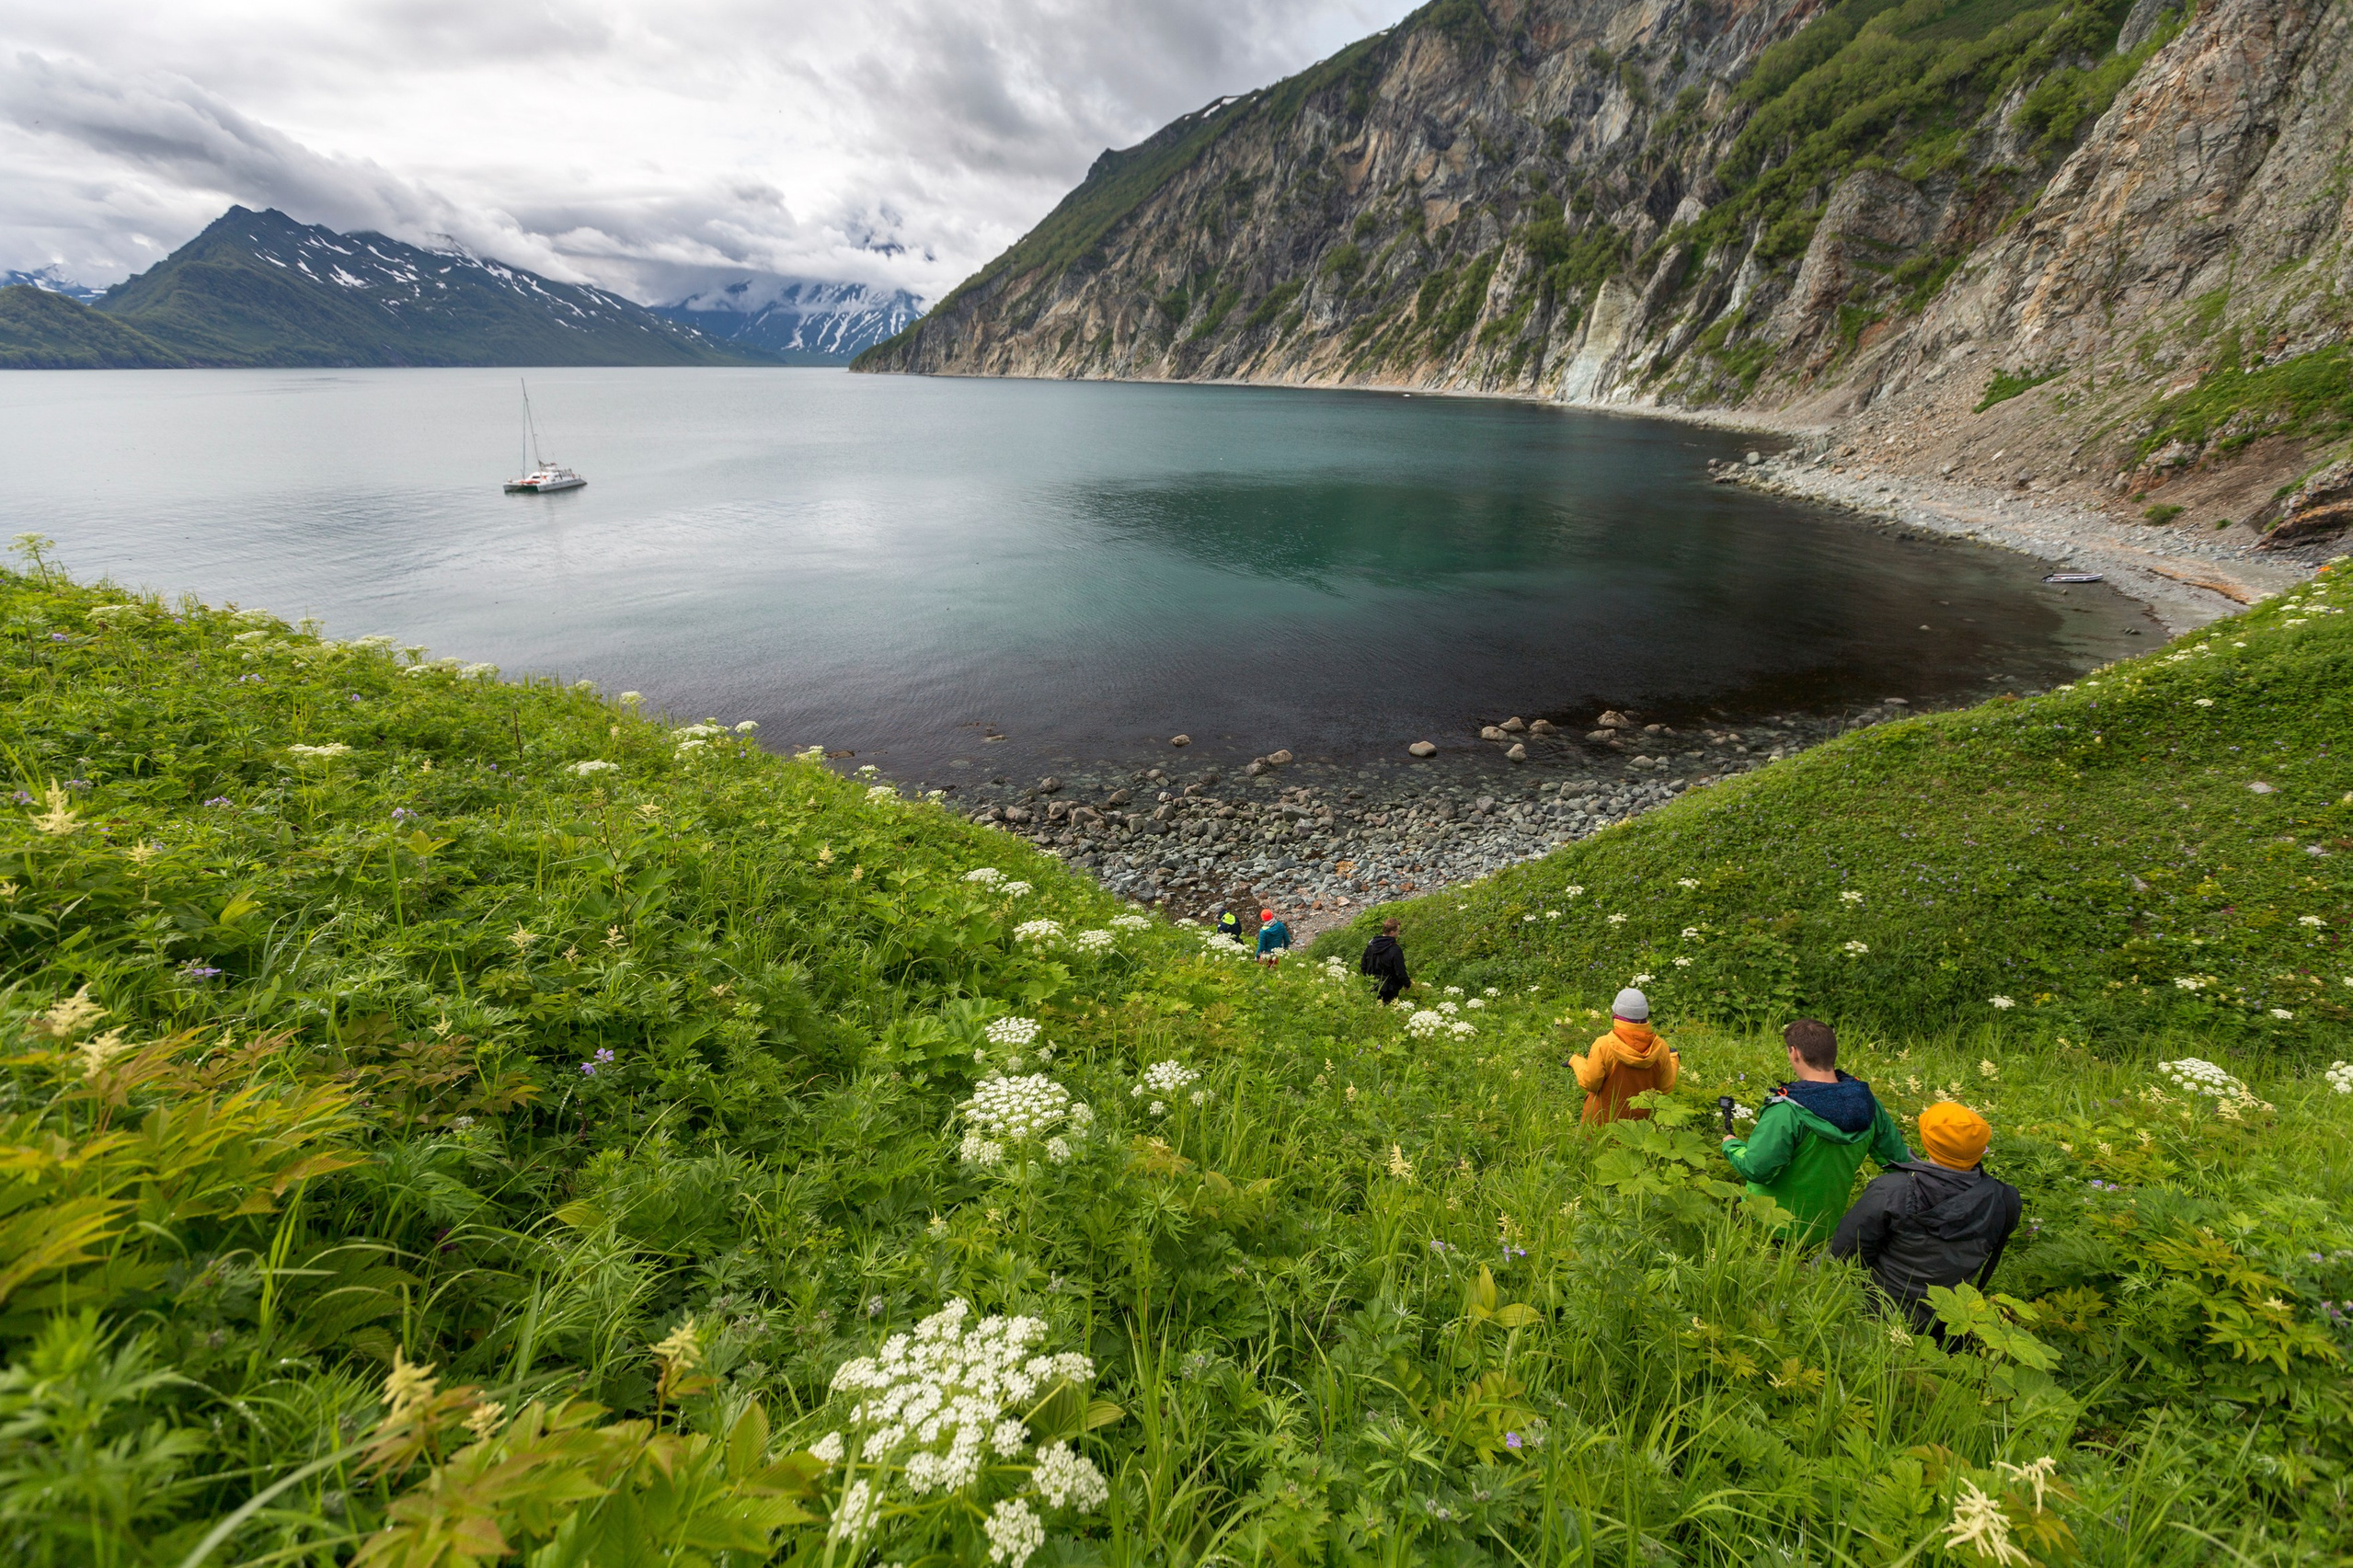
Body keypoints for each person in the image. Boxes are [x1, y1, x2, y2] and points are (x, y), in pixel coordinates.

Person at [1830, 1101, 2023, 1336]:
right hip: (1943, 1322)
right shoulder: (2005, 1200)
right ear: (1981, 1148)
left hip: (1872, 1315)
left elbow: (1842, 1256)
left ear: (1928, 1143)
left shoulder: (1892, 1191)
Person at [1722, 1019, 1910, 1244]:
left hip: (1767, 1227)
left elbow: (1757, 1169)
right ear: (1832, 1053)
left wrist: (1731, 1145)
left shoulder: (1787, 1110)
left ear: (1794, 1053)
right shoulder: (1868, 1104)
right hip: (1825, 1232)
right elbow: (1900, 1162)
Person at [1567, 987, 1679, 1124]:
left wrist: (1575, 1060)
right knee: (1629, 1146)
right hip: (1637, 1128)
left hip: (1600, 1125)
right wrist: (1673, 1059)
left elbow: (1590, 1083)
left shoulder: (1604, 1044)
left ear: (1616, 1013)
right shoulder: (1661, 1047)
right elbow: (1665, 1088)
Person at [1360, 918, 1411, 1003]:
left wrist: (1368, 979)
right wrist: (1407, 984)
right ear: (1392, 932)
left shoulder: (1371, 946)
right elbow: (1400, 971)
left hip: (1372, 985)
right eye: (1398, 931)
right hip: (1390, 989)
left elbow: (1363, 966)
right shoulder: (1395, 949)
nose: (1399, 933)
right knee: (1389, 1012)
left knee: (1375, 1010)